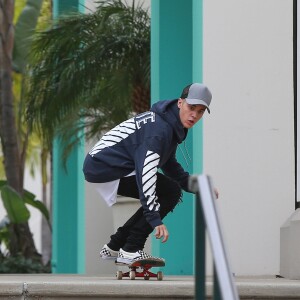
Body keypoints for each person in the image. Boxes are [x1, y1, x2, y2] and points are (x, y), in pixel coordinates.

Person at [83, 83, 214, 264]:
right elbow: (147, 175)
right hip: (105, 165)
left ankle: (116, 245)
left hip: (104, 165)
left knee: (169, 189)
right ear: (180, 103)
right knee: (170, 191)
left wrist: (199, 187)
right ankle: (131, 249)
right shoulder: (160, 131)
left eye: (200, 112)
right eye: (191, 108)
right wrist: (155, 220)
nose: (194, 115)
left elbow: (170, 166)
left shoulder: (169, 125)